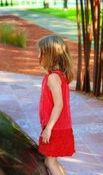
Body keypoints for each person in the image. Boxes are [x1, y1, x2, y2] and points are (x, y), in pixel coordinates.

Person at [36, 35, 75, 175]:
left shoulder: (53, 78)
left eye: (40, 52)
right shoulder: (59, 75)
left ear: (49, 55)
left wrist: (49, 129)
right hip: (58, 127)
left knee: (50, 162)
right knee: (53, 162)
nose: (38, 55)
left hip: (55, 128)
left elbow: (59, 105)